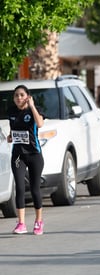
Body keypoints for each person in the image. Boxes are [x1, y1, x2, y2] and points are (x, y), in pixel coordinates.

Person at [7, 85, 45, 235]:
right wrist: (11, 137)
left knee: (35, 188)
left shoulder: (34, 110)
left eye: (22, 95)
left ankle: (38, 221)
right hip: (18, 155)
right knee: (20, 187)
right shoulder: (11, 111)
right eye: (16, 95)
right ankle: (21, 223)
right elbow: (14, 129)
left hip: (34, 154)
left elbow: (40, 124)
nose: (19, 98)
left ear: (28, 96)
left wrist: (33, 107)